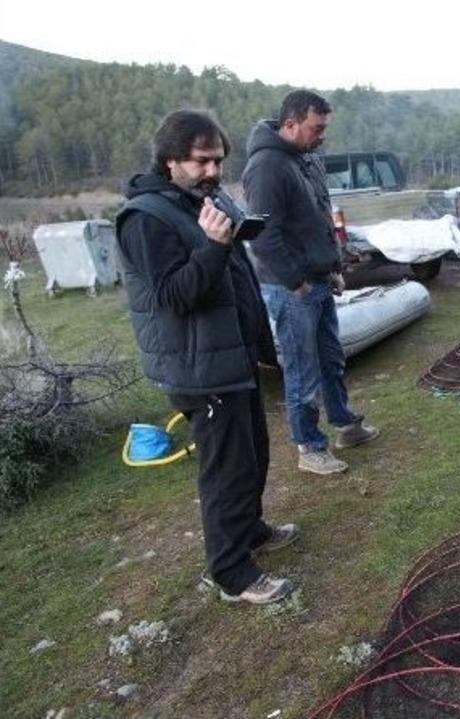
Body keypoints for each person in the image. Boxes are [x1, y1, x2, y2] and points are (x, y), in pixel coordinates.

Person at [115, 110, 295, 605]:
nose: (213, 171)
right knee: (226, 471)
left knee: (252, 453)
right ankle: (231, 573)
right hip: (198, 367)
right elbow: (174, 296)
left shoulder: (201, 198)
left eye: (218, 161)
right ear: (170, 160)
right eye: (202, 161)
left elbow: (231, 271)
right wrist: (215, 246)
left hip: (233, 354)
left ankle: (250, 529)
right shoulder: (145, 219)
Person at [243, 90, 379, 475]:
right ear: (290, 124)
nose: (322, 136)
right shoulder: (266, 167)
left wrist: (333, 266)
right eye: (316, 128)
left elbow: (320, 217)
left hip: (318, 278)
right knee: (301, 370)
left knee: (331, 359)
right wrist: (296, 282)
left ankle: (345, 425)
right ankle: (310, 447)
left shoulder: (306, 159)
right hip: (291, 288)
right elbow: (263, 236)